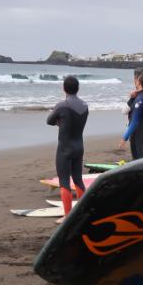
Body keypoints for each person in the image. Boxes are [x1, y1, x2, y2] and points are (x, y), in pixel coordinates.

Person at [47, 76, 89, 214]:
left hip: (65, 148)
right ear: (78, 88)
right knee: (78, 179)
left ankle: (67, 216)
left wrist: (59, 121)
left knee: (64, 182)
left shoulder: (61, 105)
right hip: (79, 146)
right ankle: (81, 214)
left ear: (64, 88)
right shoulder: (85, 106)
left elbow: (49, 121)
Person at [120, 72, 143, 160]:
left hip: (138, 133)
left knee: (139, 160)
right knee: (141, 160)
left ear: (139, 83)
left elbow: (135, 121)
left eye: (137, 80)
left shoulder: (141, 99)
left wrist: (125, 137)